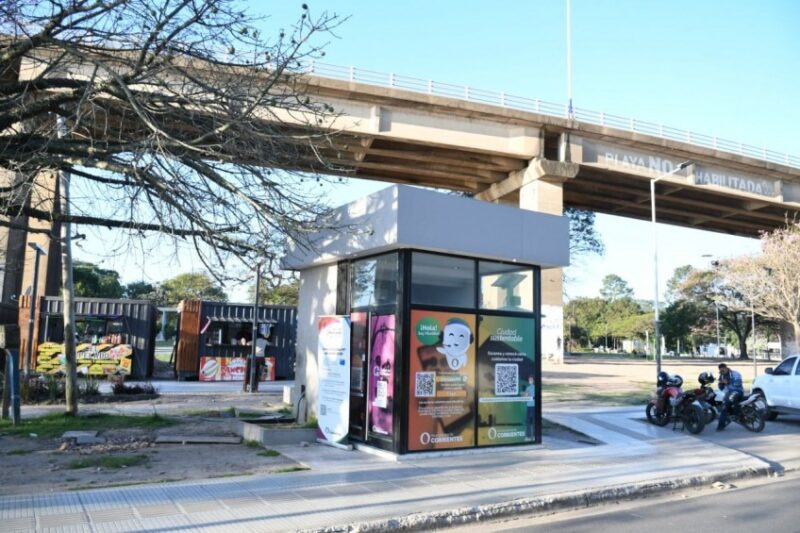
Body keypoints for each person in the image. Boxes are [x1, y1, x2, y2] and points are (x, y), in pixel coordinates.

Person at [716, 362, 744, 431]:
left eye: (723, 370)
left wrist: (728, 382)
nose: (722, 372)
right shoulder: (722, 376)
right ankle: (721, 425)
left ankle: (736, 415)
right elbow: (721, 388)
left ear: (726, 368)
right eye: (721, 371)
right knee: (724, 407)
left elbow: (738, 384)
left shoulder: (735, 374)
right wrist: (720, 383)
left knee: (731, 399)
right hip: (728, 393)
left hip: (737, 391)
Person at [523, 375, 536, 441]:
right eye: (529, 380)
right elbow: (525, 397)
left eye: (531, 379)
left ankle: (532, 436)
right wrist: (525, 395)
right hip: (529, 406)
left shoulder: (534, 388)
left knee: (532, 422)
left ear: (533, 380)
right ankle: (529, 436)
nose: (530, 381)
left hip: (533, 406)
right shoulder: (527, 388)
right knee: (528, 421)